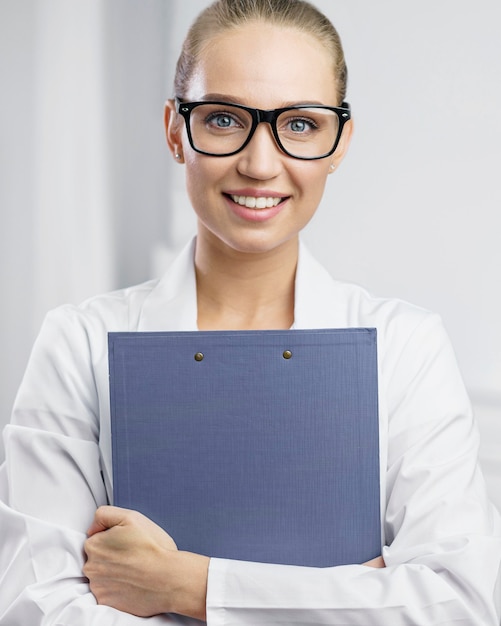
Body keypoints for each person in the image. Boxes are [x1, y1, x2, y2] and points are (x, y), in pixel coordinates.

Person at [1, 0, 500, 623]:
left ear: (340, 139)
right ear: (174, 130)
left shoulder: (405, 347)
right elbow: (38, 605)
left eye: (299, 125)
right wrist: (342, 594)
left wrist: (187, 586)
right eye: (223, 119)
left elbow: (457, 604)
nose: (260, 164)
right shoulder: (79, 344)